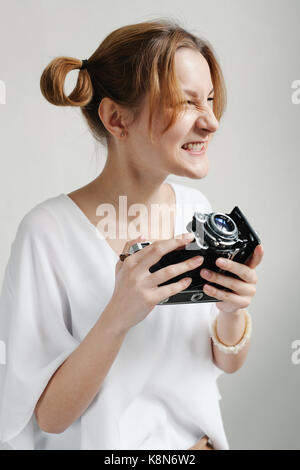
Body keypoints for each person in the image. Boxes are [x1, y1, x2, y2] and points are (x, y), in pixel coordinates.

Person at [0, 18, 263, 451]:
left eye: (211, 101)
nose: (212, 122)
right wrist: (118, 315)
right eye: (187, 102)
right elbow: (49, 418)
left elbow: (226, 364)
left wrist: (233, 309)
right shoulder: (47, 234)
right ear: (116, 118)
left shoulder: (197, 210)